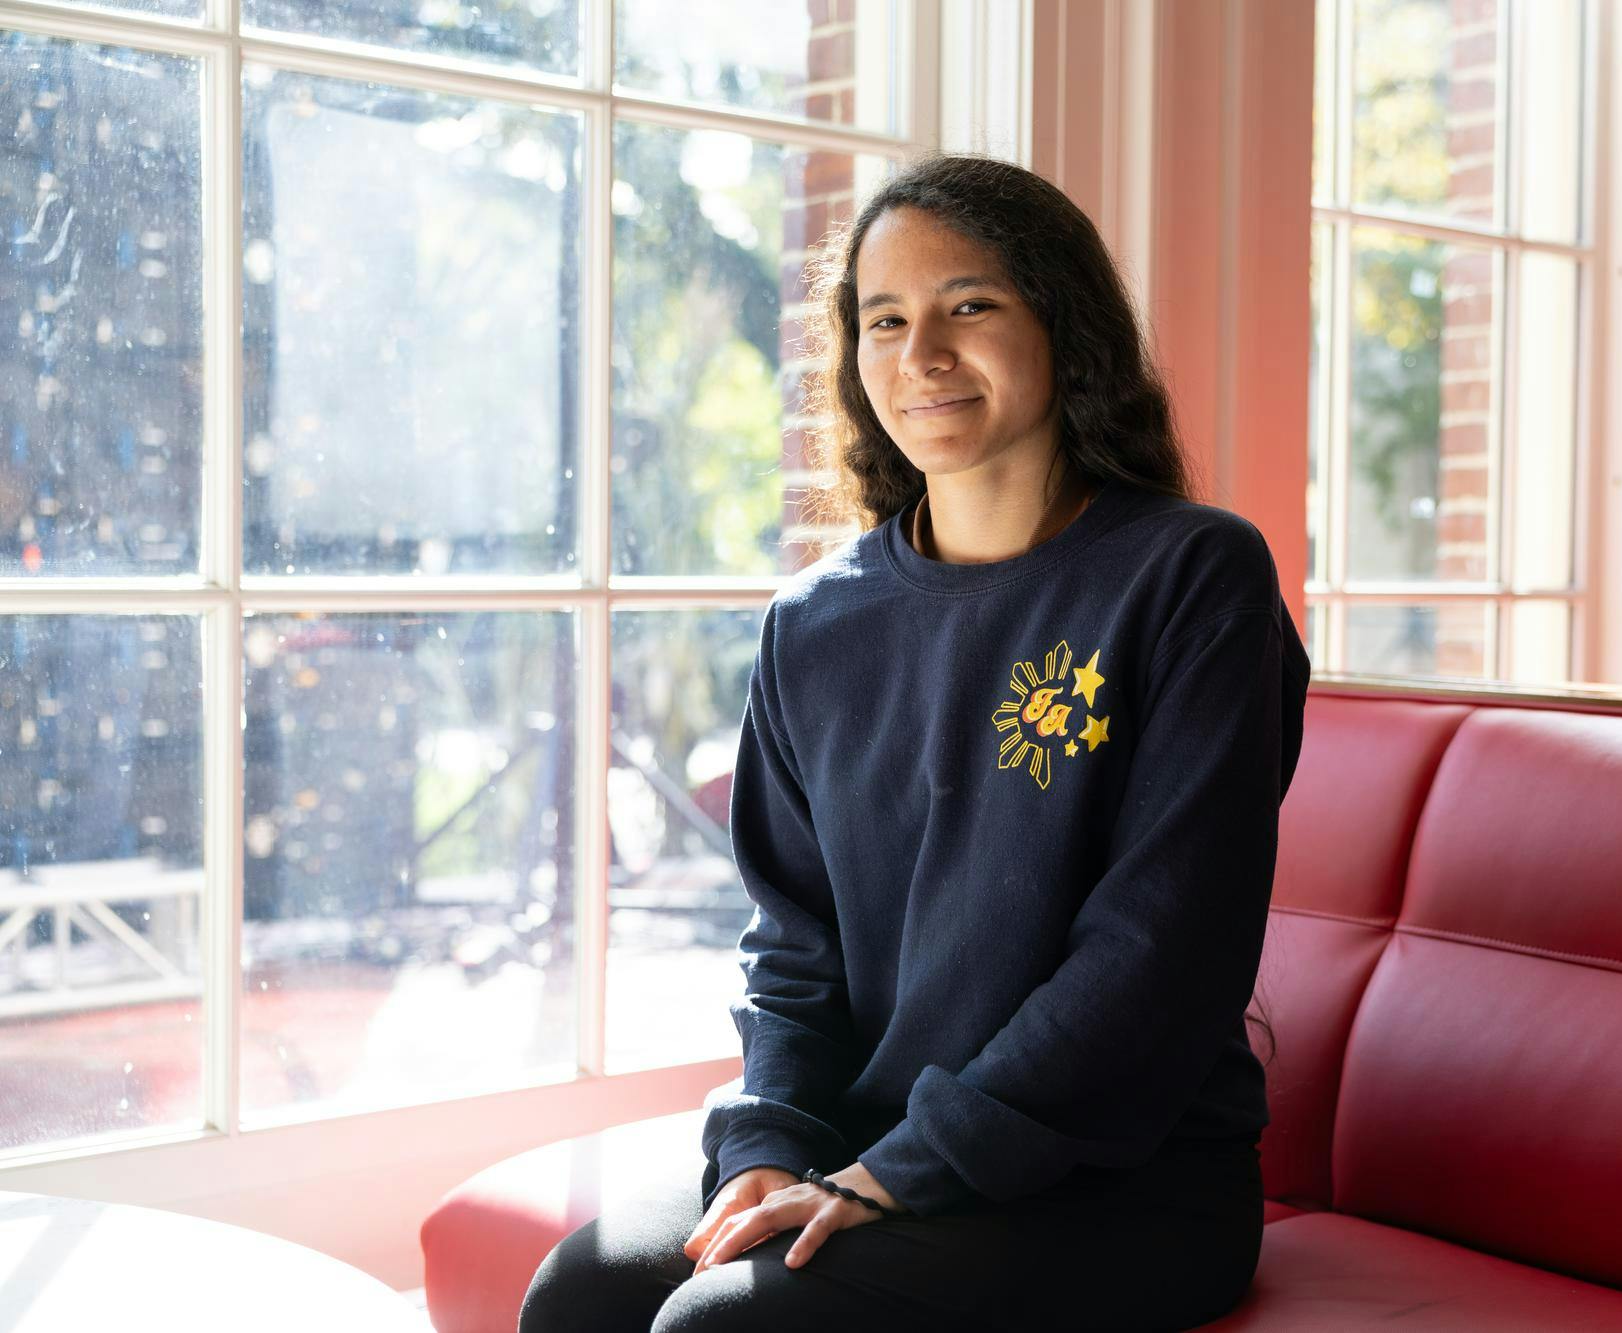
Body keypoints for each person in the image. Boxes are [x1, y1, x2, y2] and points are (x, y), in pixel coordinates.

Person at [519, 149, 1309, 1333]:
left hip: (1122, 1184)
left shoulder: (1191, 576)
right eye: (883, 319)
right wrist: (769, 1148)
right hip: (871, 1143)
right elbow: (790, 945)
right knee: (577, 1293)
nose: (920, 355)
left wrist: (893, 1176)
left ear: (1064, 324)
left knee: (718, 1326)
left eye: (969, 306)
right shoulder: (813, 622)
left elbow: (1159, 952)